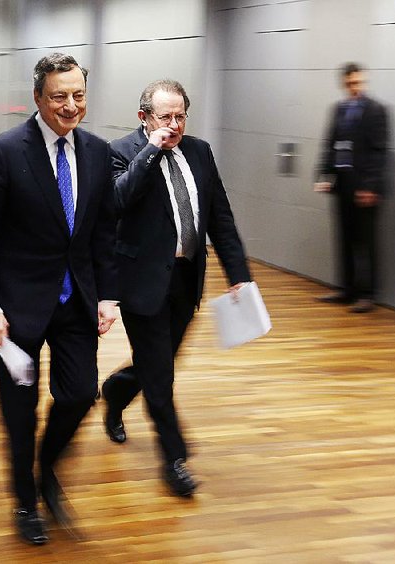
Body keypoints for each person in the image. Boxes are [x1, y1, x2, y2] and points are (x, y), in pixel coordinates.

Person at [0, 53, 117, 545]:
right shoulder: (4, 152)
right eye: (58, 96)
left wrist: (106, 294)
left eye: (77, 95)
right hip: (16, 310)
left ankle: (45, 467)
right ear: (37, 99)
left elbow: (101, 232)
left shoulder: (96, 152)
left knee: (79, 394)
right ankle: (25, 502)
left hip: (76, 302)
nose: (70, 105)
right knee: (19, 412)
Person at [99, 79, 251, 498]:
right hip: (142, 283)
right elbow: (117, 200)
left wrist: (238, 272)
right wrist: (153, 151)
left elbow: (219, 215)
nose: (175, 124)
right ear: (143, 117)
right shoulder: (120, 152)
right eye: (165, 117)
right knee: (161, 376)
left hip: (186, 280)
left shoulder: (200, 152)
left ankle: (117, 389)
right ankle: (174, 459)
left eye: (180, 115)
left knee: (158, 364)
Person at [314, 62, 389, 314]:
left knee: (366, 242)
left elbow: (380, 152)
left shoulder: (376, 110)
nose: (354, 88)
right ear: (344, 84)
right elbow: (330, 144)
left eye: (358, 83)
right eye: (350, 84)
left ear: (364, 82)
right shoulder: (339, 109)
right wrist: (325, 174)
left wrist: (370, 186)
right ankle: (347, 290)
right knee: (344, 239)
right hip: (343, 184)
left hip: (365, 188)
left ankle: (368, 294)